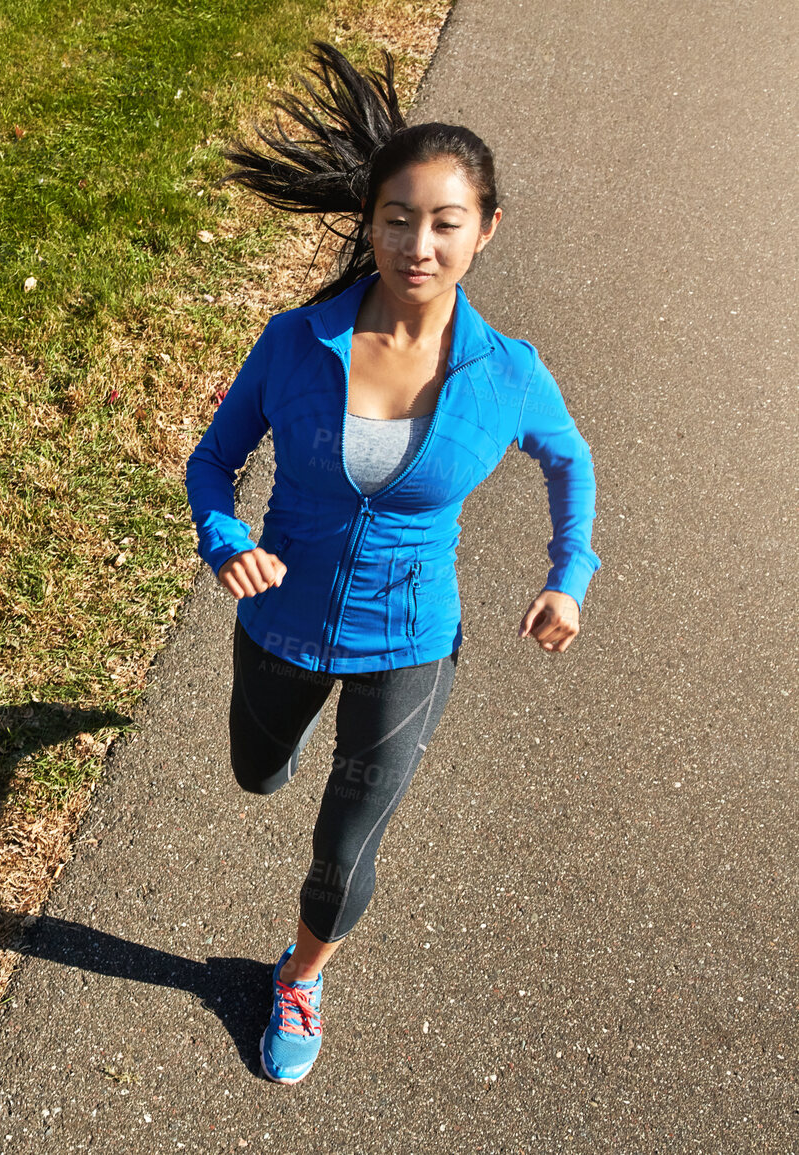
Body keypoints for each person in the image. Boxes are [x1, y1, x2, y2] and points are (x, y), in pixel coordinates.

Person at [184, 42, 601, 1085]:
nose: (419, 243)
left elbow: (569, 457)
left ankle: (301, 974)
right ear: (369, 222)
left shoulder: (507, 375)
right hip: (278, 619)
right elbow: (212, 459)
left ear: (484, 230)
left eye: (445, 221)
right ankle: (273, 761)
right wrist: (226, 536)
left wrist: (568, 572)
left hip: (409, 639)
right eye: (397, 218)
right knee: (256, 772)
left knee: (346, 841)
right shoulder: (296, 340)